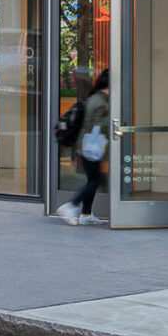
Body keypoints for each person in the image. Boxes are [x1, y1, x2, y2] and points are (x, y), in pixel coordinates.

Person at [56, 67, 109, 221]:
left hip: (89, 146)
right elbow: (97, 125)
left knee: (94, 179)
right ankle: (71, 206)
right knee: (96, 180)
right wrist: (113, 118)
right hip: (90, 147)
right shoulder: (100, 101)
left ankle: (86, 214)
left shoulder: (96, 98)